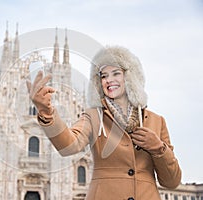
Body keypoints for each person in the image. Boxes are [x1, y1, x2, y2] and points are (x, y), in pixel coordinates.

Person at [26, 46, 182, 200]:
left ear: (130, 77)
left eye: (116, 73)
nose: (109, 80)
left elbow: (171, 181)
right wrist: (47, 113)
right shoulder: (94, 117)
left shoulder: (156, 121)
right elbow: (69, 145)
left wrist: (158, 148)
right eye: (103, 76)